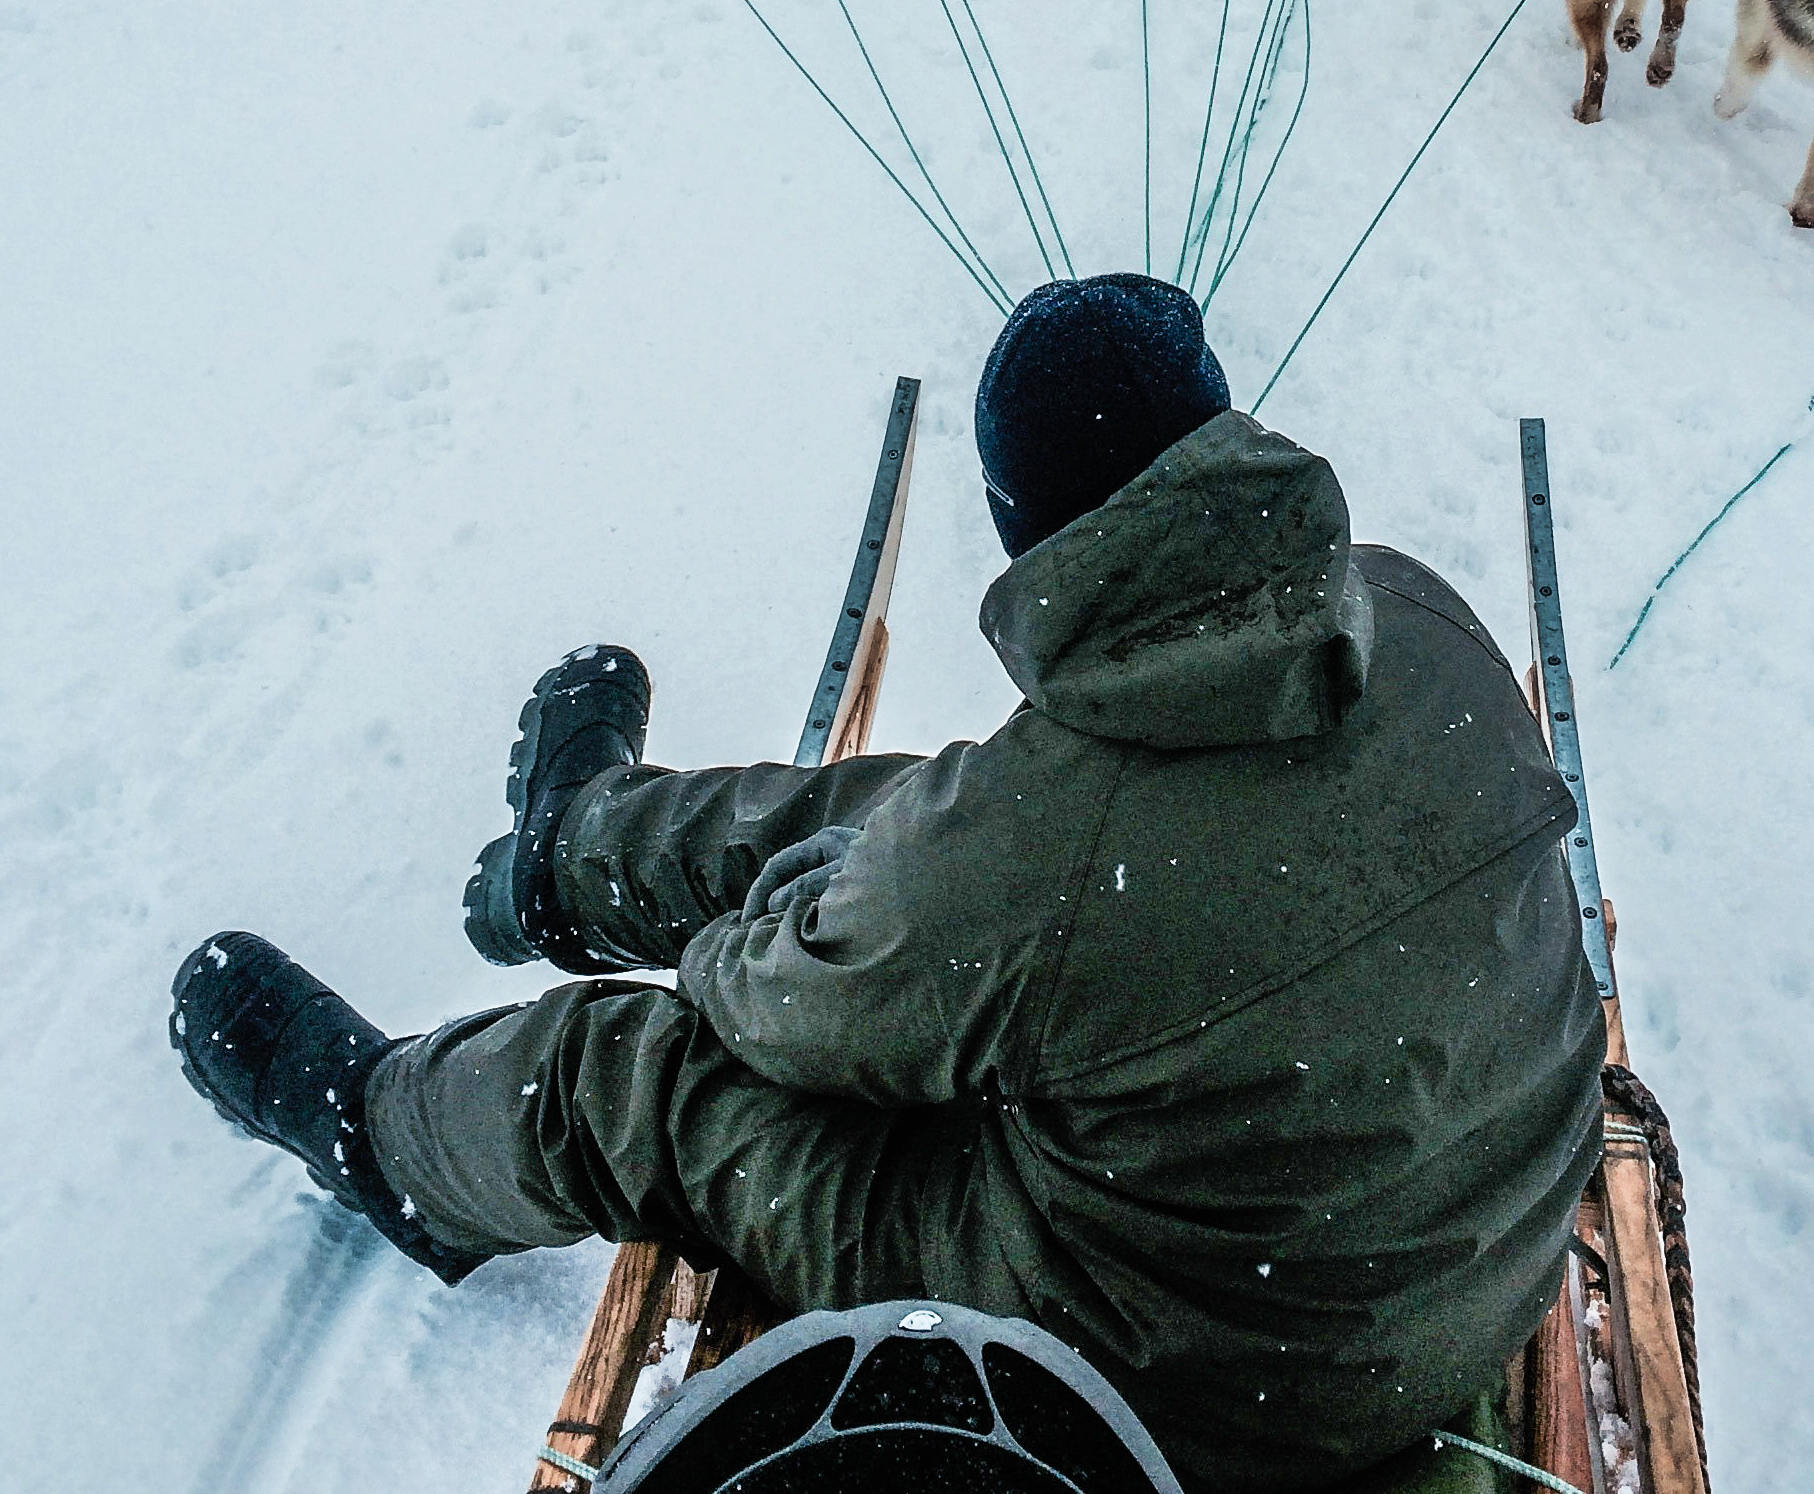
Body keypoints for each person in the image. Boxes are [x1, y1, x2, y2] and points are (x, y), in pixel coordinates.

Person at [171, 276, 1605, 1492]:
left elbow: (783, 1019)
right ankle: (579, 846)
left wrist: (754, 938)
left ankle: (389, 1134)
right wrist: (894, 882)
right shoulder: (1409, 605)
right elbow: (1012, 849)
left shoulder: (1044, 837)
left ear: (1027, 532)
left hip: (1188, 1371)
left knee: (642, 1078)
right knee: (915, 817)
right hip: (1466, 1261)